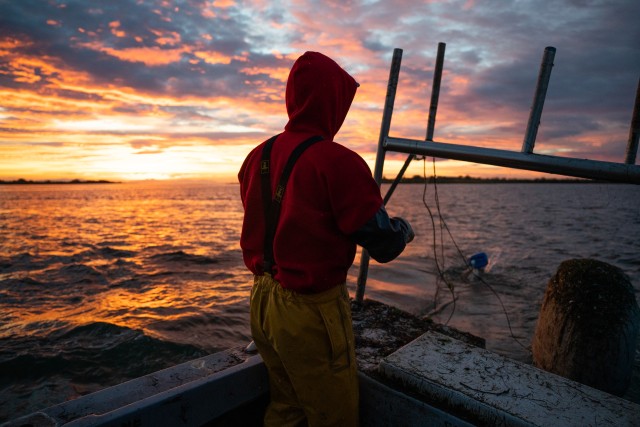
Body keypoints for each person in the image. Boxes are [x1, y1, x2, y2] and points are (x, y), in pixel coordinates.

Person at [238, 51, 414, 427]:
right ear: (332, 102)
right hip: (310, 310)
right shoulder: (338, 161)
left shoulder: (256, 157)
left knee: (286, 405)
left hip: (261, 300)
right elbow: (383, 245)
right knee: (333, 415)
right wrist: (403, 230)